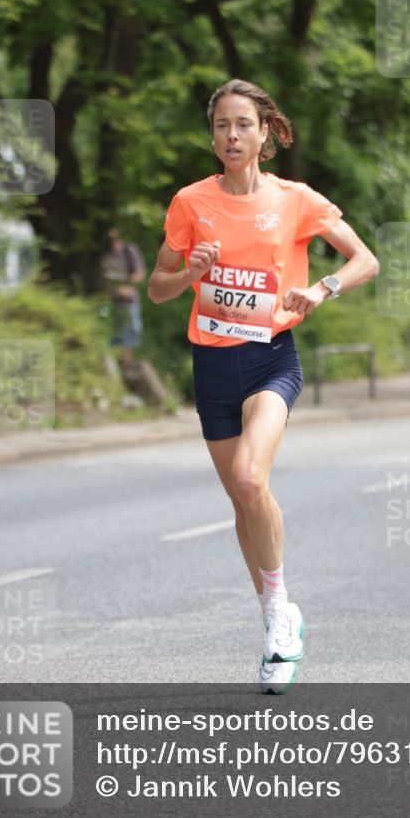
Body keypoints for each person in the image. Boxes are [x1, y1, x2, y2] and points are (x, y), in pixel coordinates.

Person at [147, 79, 379, 694]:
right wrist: (189, 272)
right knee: (243, 501)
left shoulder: (296, 200)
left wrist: (323, 288)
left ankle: (280, 614)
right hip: (212, 365)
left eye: (243, 124)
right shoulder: (190, 203)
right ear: (213, 133)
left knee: (251, 478)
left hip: (273, 358)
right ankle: (274, 611)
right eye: (222, 124)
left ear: (265, 133)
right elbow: (157, 288)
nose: (231, 135)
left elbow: (365, 260)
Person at [101, 227, 146, 379]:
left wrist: (126, 285)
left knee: (130, 333)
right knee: (114, 334)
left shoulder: (128, 250)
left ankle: (126, 368)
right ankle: (115, 369)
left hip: (128, 300)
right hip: (110, 301)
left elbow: (139, 273)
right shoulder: (105, 252)